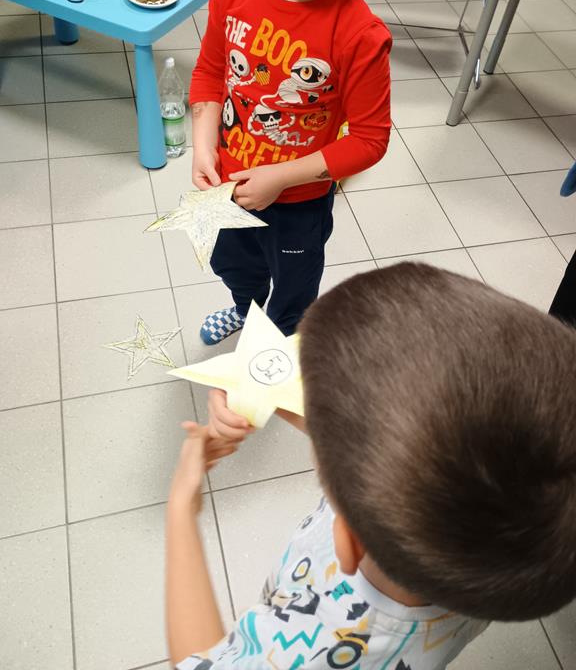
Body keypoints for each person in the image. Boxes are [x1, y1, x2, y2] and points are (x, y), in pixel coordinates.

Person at [166, 264, 576, 669]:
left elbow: (199, 662)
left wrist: (181, 507)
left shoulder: (304, 655)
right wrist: (261, 387)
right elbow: (406, 437)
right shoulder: (491, 553)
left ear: (347, 541)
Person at [189, 0, 392, 345]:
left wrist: (281, 177)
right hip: (227, 186)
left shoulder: (360, 35)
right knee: (232, 264)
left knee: (294, 288)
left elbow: (369, 140)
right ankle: (244, 308)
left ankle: (278, 345)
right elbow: (210, 71)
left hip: (299, 205)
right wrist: (203, 146)